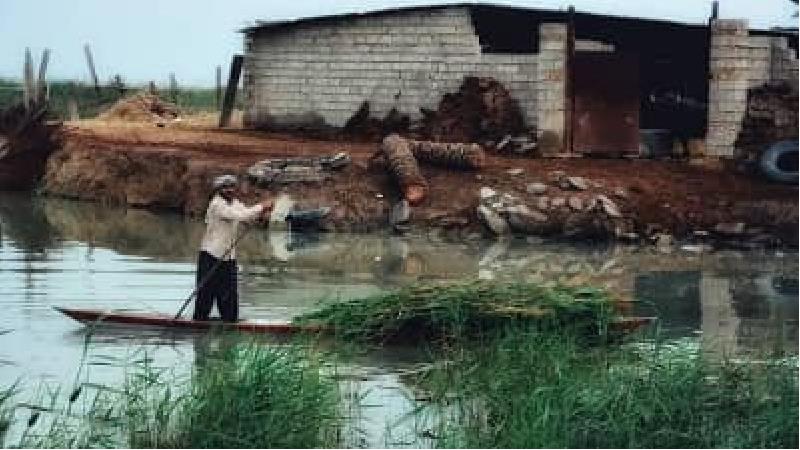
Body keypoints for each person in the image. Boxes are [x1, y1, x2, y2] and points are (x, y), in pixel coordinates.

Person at [193, 174, 272, 322]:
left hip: (228, 257)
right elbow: (239, 216)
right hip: (211, 256)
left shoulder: (235, 203)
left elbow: (246, 215)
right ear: (219, 190)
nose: (229, 190)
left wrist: (261, 214)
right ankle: (199, 322)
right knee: (206, 293)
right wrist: (262, 206)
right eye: (225, 188)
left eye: (231, 187)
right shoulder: (217, 205)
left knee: (229, 294)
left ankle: (229, 322)